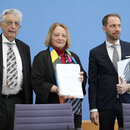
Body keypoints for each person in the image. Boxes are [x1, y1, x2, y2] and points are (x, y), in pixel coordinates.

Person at [31, 23, 87, 128]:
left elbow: (83, 79)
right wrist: (56, 89)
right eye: (56, 35)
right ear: (50, 37)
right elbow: (37, 82)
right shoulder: (41, 57)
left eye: (63, 35)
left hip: (73, 110)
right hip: (50, 110)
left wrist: (81, 79)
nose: (60, 38)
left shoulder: (74, 57)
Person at [88, 13, 130, 130]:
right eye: (112, 26)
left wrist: (128, 87)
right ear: (104, 28)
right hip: (105, 105)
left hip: (127, 103)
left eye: (119, 25)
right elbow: (92, 82)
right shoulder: (95, 53)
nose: (117, 29)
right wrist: (93, 108)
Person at [0, 9, 32, 130]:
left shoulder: (25, 48)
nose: (13, 26)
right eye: (9, 22)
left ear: (19, 27)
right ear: (1, 24)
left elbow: (28, 77)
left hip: (19, 102)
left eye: (16, 23)